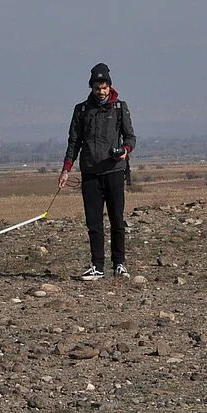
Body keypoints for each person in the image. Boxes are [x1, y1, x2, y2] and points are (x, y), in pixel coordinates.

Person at [58, 62, 136, 280]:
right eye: (97, 88)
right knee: (94, 222)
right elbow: (74, 142)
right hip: (90, 172)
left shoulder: (120, 107)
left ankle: (119, 263)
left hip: (114, 171)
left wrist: (125, 150)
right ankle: (97, 266)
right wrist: (66, 169)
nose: (101, 92)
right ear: (91, 88)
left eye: (104, 87)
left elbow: (130, 137)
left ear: (110, 87)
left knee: (116, 220)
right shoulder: (81, 110)